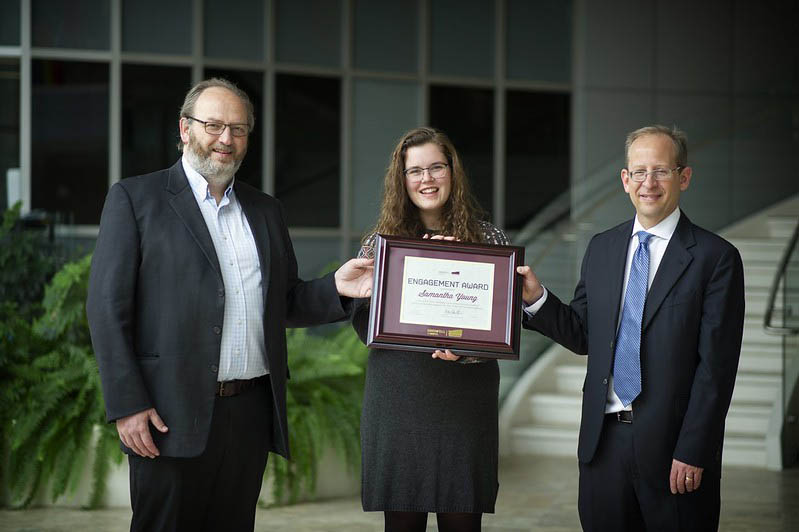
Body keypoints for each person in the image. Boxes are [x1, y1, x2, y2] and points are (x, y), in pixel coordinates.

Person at [86, 78, 373, 531]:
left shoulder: (265, 210)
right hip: (167, 415)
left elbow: (284, 302)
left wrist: (337, 286)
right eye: (214, 125)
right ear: (185, 128)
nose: (226, 139)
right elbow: (106, 309)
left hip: (248, 414)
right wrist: (127, 404)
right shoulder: (136, 199)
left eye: (238, 129)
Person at [516, 125, 745, 531]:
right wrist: (537, 299)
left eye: (661, 171)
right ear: (625, 181)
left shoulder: (716, 258)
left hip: (675, 451)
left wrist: (695, 449)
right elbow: (583, 334)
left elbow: (716, 369)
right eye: (638, 172)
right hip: (603, 446)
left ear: (684, 177)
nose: (649, 183)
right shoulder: (602, 247)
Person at [352, 127, 508, 532]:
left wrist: (469, 349)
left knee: (462, 519)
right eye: (415, 170)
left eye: (436, 167)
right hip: (400, 395)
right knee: (402, 520)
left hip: (463, 399)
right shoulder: (380, 245)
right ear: (401, 180)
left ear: (452, 172)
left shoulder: (488, 239)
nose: (427, 179)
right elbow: (361, 321)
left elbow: (505, 323)